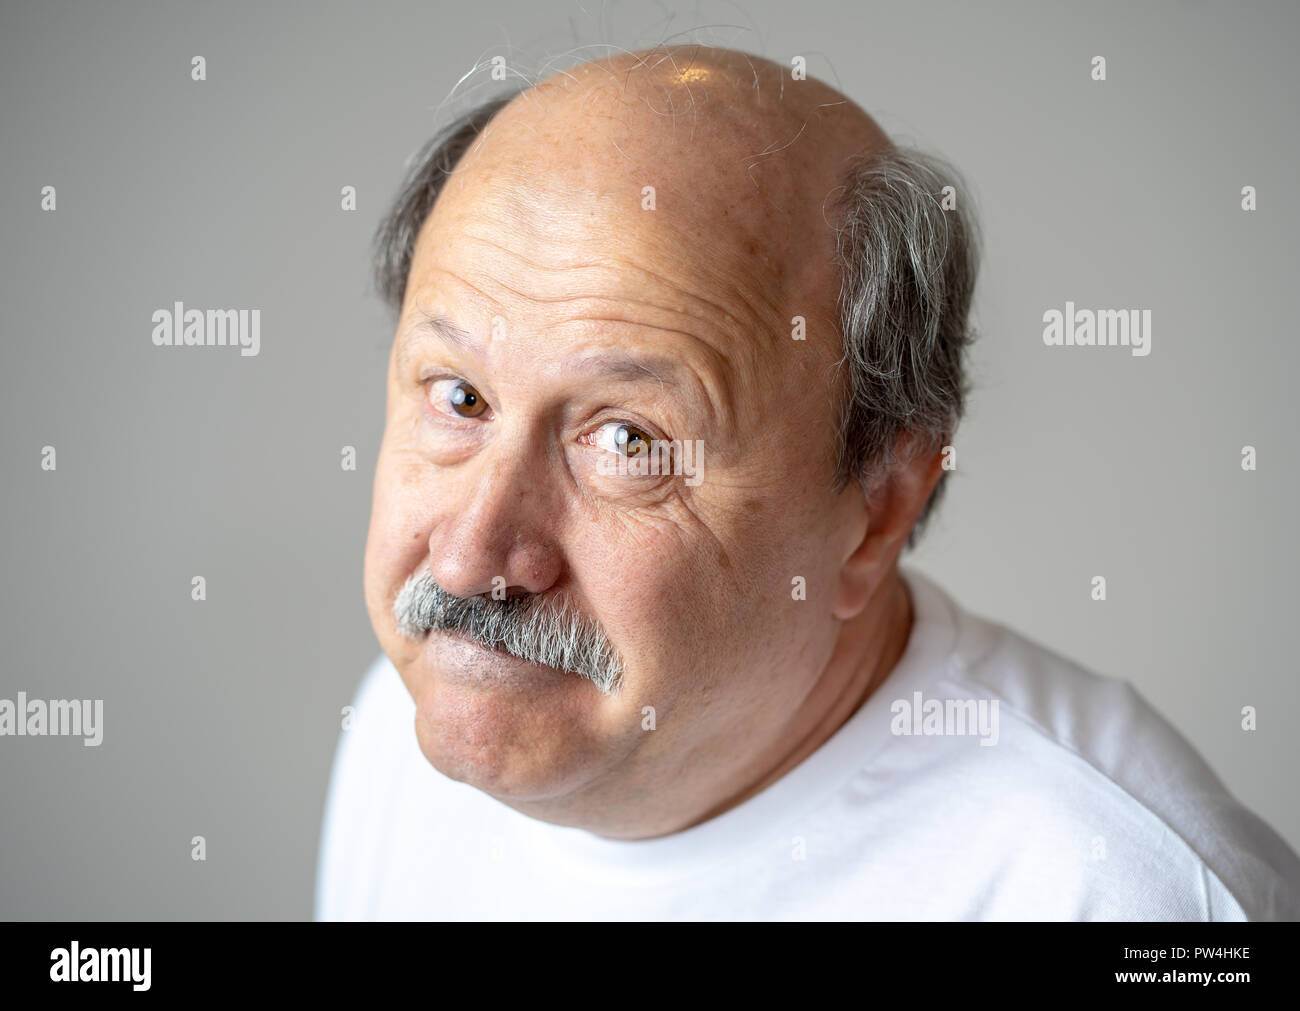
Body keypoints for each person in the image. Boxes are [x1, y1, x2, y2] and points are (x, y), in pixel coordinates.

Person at [316, 44, 1300, 920]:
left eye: (626, 440)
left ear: (880, 506)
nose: (471, 554)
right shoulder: (408, 731)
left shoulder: (1124, 894)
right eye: (460, 398)